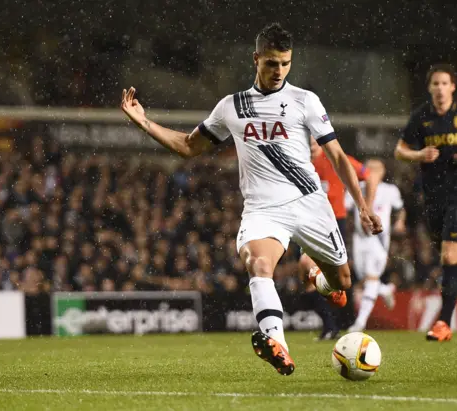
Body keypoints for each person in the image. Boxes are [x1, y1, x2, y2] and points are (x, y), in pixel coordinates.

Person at [120, 23, 382, 375]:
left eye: (285, 64)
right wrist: (144, 122)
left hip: (309, 204)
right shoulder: (232, 106)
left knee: (343, 283)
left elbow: (336, 156)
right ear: (256, 58)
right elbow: (188, 146)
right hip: (263, 210)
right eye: (272, 63)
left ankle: (323, 281)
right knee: (259, 265)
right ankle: (278, 344)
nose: (279, 71)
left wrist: (363, 206)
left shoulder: (305, 101)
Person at [394, 64, 457, 342]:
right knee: (451, 259)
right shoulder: (421, 118)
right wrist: (418, 155)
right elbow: (399, 150)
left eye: (444, 83)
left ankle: (444, 322)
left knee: (450, 254)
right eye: (435, 83)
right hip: (433, 194)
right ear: (430, 88)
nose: (440, 88)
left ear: (453, 87)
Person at [297, 137, 381, 341]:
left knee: (335, 275)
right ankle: (331, 326)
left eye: (312, 140)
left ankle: (339, 321)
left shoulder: (333, 159)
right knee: (306, 275)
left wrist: (367, 206)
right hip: (306, 224)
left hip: (333, 222)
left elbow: (369, 175)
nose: (309, 144)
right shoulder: (297, 160)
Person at [345, 159, 406, 332]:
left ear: (383, 171)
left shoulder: (390, 190)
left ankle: (360, 322)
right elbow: (345, 209)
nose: (372, 172)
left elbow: (401, 208)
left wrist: (400, 221)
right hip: (359, 238)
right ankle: (385, 289)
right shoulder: (356, 188)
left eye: (376, 169)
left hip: (378, 238)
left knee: (371, 277)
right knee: (364, 279)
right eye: (369, 168)